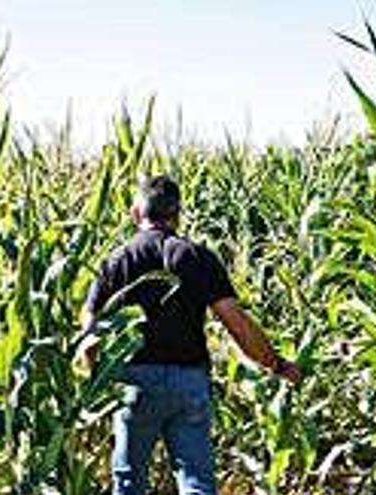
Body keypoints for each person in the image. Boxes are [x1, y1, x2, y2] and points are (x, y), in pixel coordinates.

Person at [76, 175, 302, 495]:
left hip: (134, 383)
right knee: (197, 484)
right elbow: (235, 323)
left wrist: (96, 377)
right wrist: (276, 364)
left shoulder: (117, 261)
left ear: (136, 213)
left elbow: (89, 328)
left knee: (128, 483)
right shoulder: (197, 257)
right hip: (189, 384)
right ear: (176, 215)